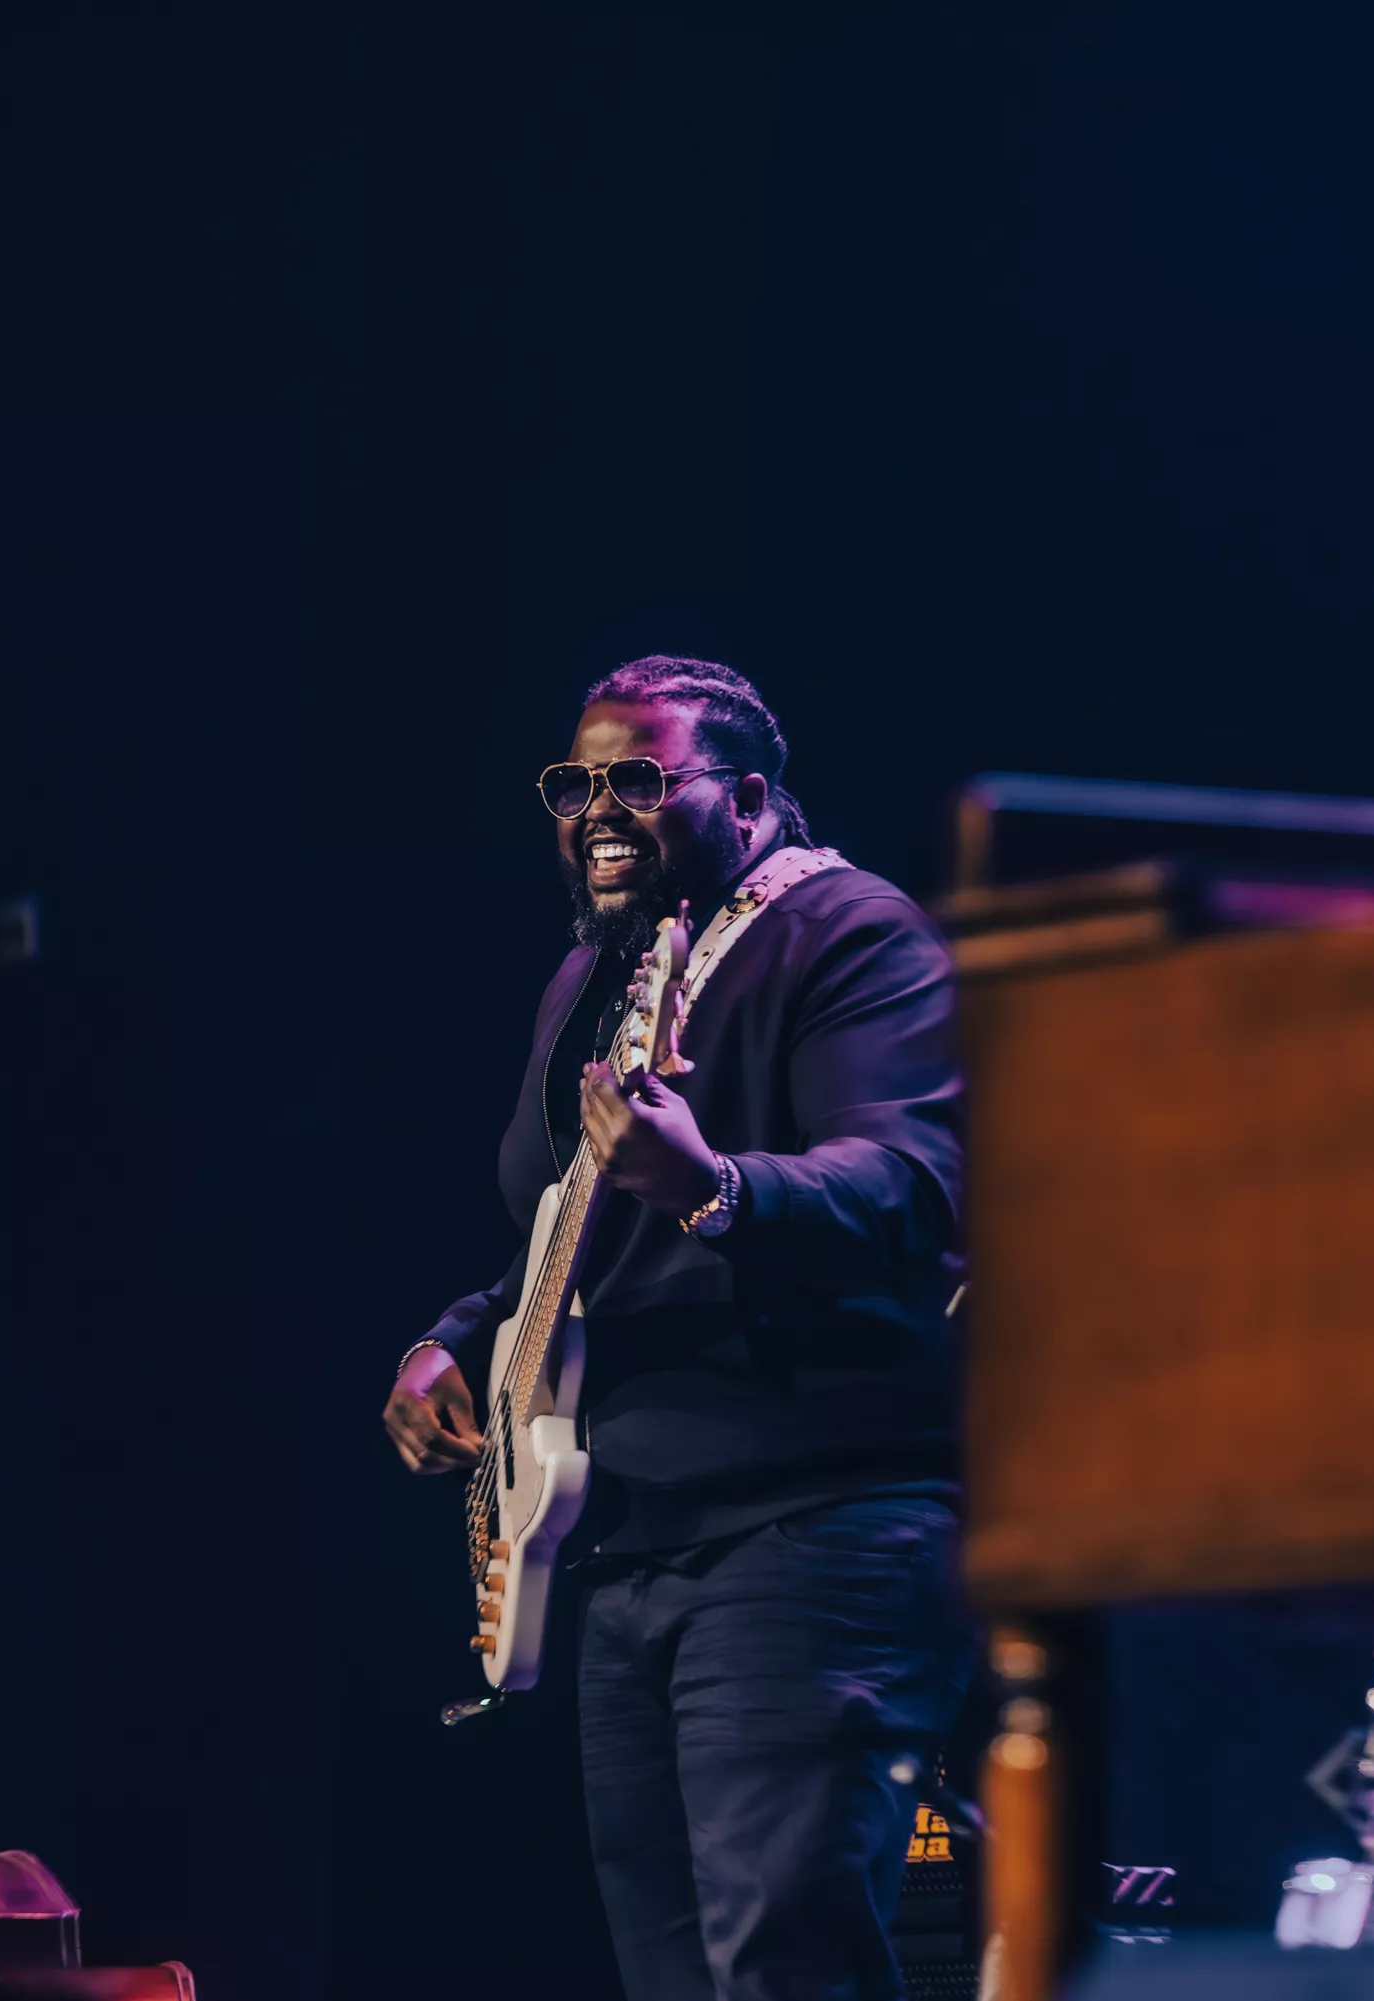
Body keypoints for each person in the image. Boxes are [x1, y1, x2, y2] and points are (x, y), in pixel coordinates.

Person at [382, 657, 970, 2001]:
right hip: (632, 1549)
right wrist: (455, 1340)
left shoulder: (852, 933)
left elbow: (912, 1182)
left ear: (749, 798)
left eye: (640, 780)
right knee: (673, 1979)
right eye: (575, 784)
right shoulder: (599, 977)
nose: (598, 810)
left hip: (810, 1532)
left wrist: (717, 1186)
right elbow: (572, 1233)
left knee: (783, 1966)